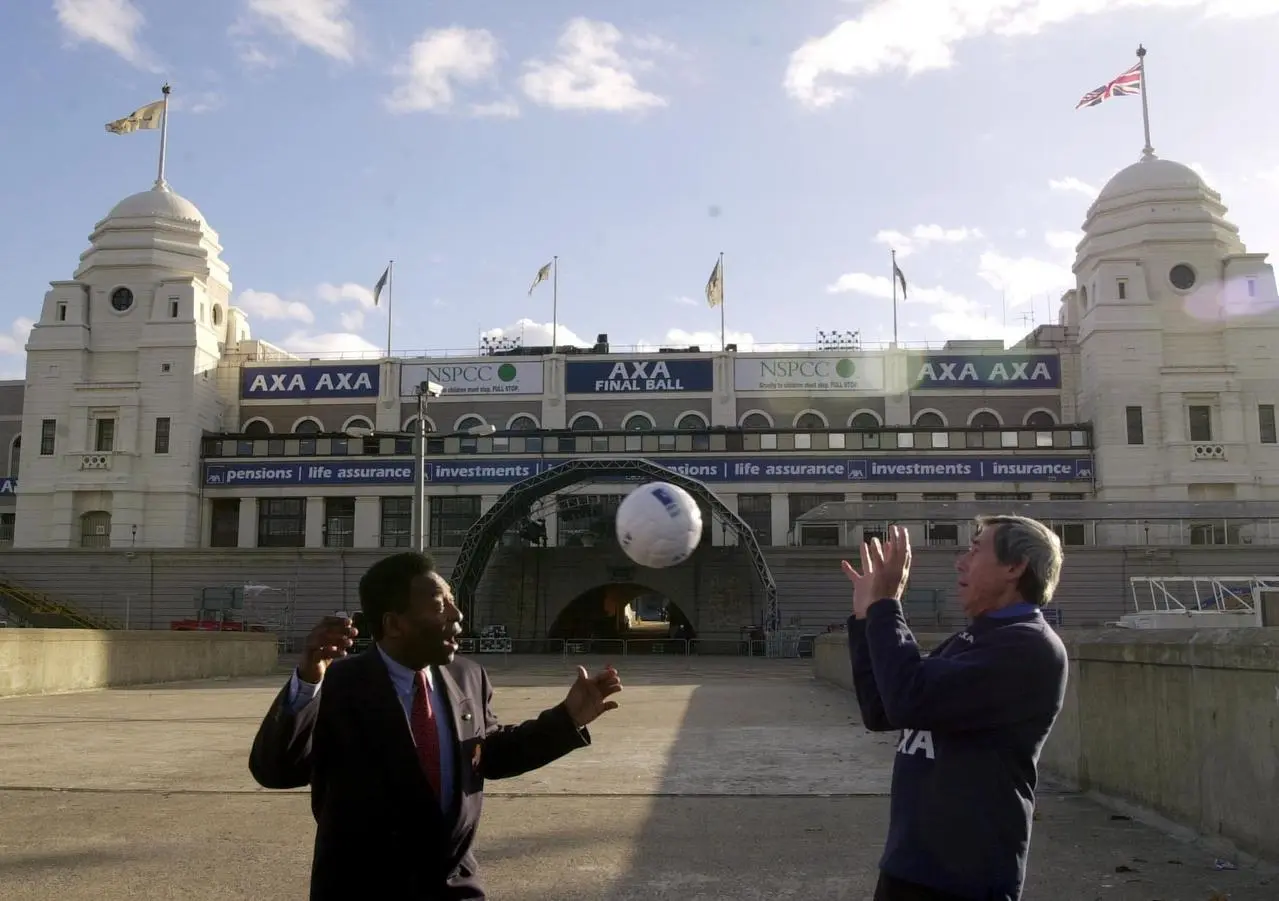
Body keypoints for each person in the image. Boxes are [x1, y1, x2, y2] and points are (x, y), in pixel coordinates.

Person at [248, 551, 623, 900]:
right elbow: (276, 769)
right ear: (394, 623)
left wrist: (568, 717)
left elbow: (489, 754)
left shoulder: (469, 676)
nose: (457, 615)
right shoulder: (339, 685)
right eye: (440, 605)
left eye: (454, 602)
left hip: (454, 888)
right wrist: (308, 683)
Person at [842, 518, 1069, 901]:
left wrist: (886, 606)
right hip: (910, 864)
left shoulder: (1028, 647)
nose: (959, 562)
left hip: (966, 877)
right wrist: (867, 619)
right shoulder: (972, 639)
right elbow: (882, 709)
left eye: (975, 549)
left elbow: (908, 697)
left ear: (1015, 567)